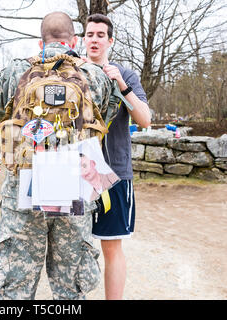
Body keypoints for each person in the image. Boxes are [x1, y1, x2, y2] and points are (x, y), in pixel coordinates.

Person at [0, 11, 120, 300]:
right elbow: (107, 115)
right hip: (74, 188)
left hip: (24, 189)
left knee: (17, 280)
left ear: (40, 41)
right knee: (70, 282)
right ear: (74, 40)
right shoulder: (93, 75)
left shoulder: (14, 72)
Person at [83, 13, 151, 300]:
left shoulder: (126, 74)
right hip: (76, 174)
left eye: (101, 35)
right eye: (90, 34)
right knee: (73, 245)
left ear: (110, 41)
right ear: (82, 39)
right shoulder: (72, 72)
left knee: (111, 247)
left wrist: (122, 85)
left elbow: (145, 120)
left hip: (114, 174)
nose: (95, 39)